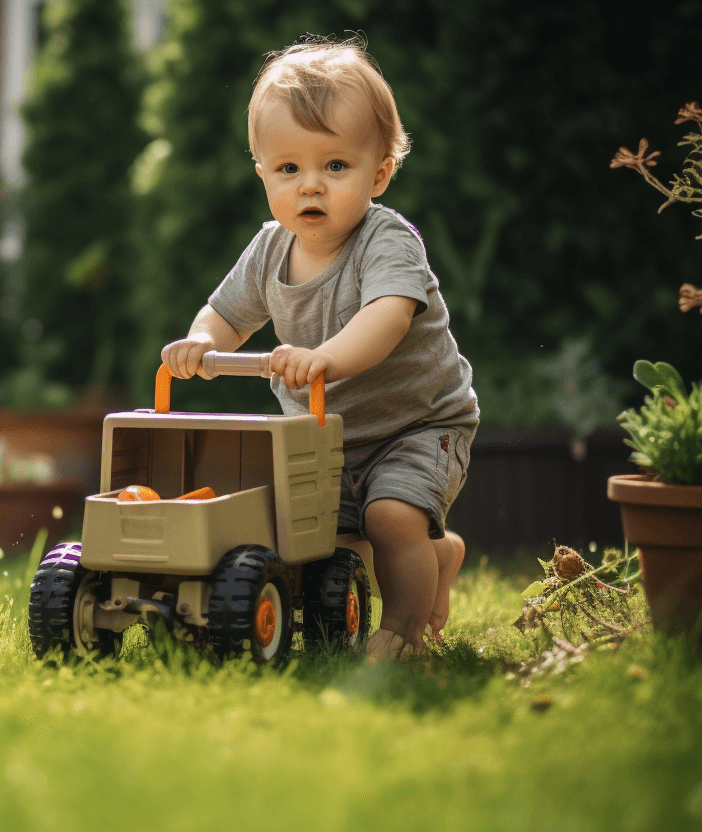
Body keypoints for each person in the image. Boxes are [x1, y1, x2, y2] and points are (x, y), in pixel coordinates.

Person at [160, 35, 479, 660]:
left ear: (379, 173)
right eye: (289, 169)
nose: (311, 186)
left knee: (389, 517)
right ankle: (435, 556)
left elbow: (385, 319)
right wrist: (202, 343)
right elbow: (226, 313)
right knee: (324, 540)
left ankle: (406, 631)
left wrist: (325, 357)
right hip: (323, 433)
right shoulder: (269, 249)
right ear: (263, 175)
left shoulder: (387, 241)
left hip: (418, 425)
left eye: (335, 166)